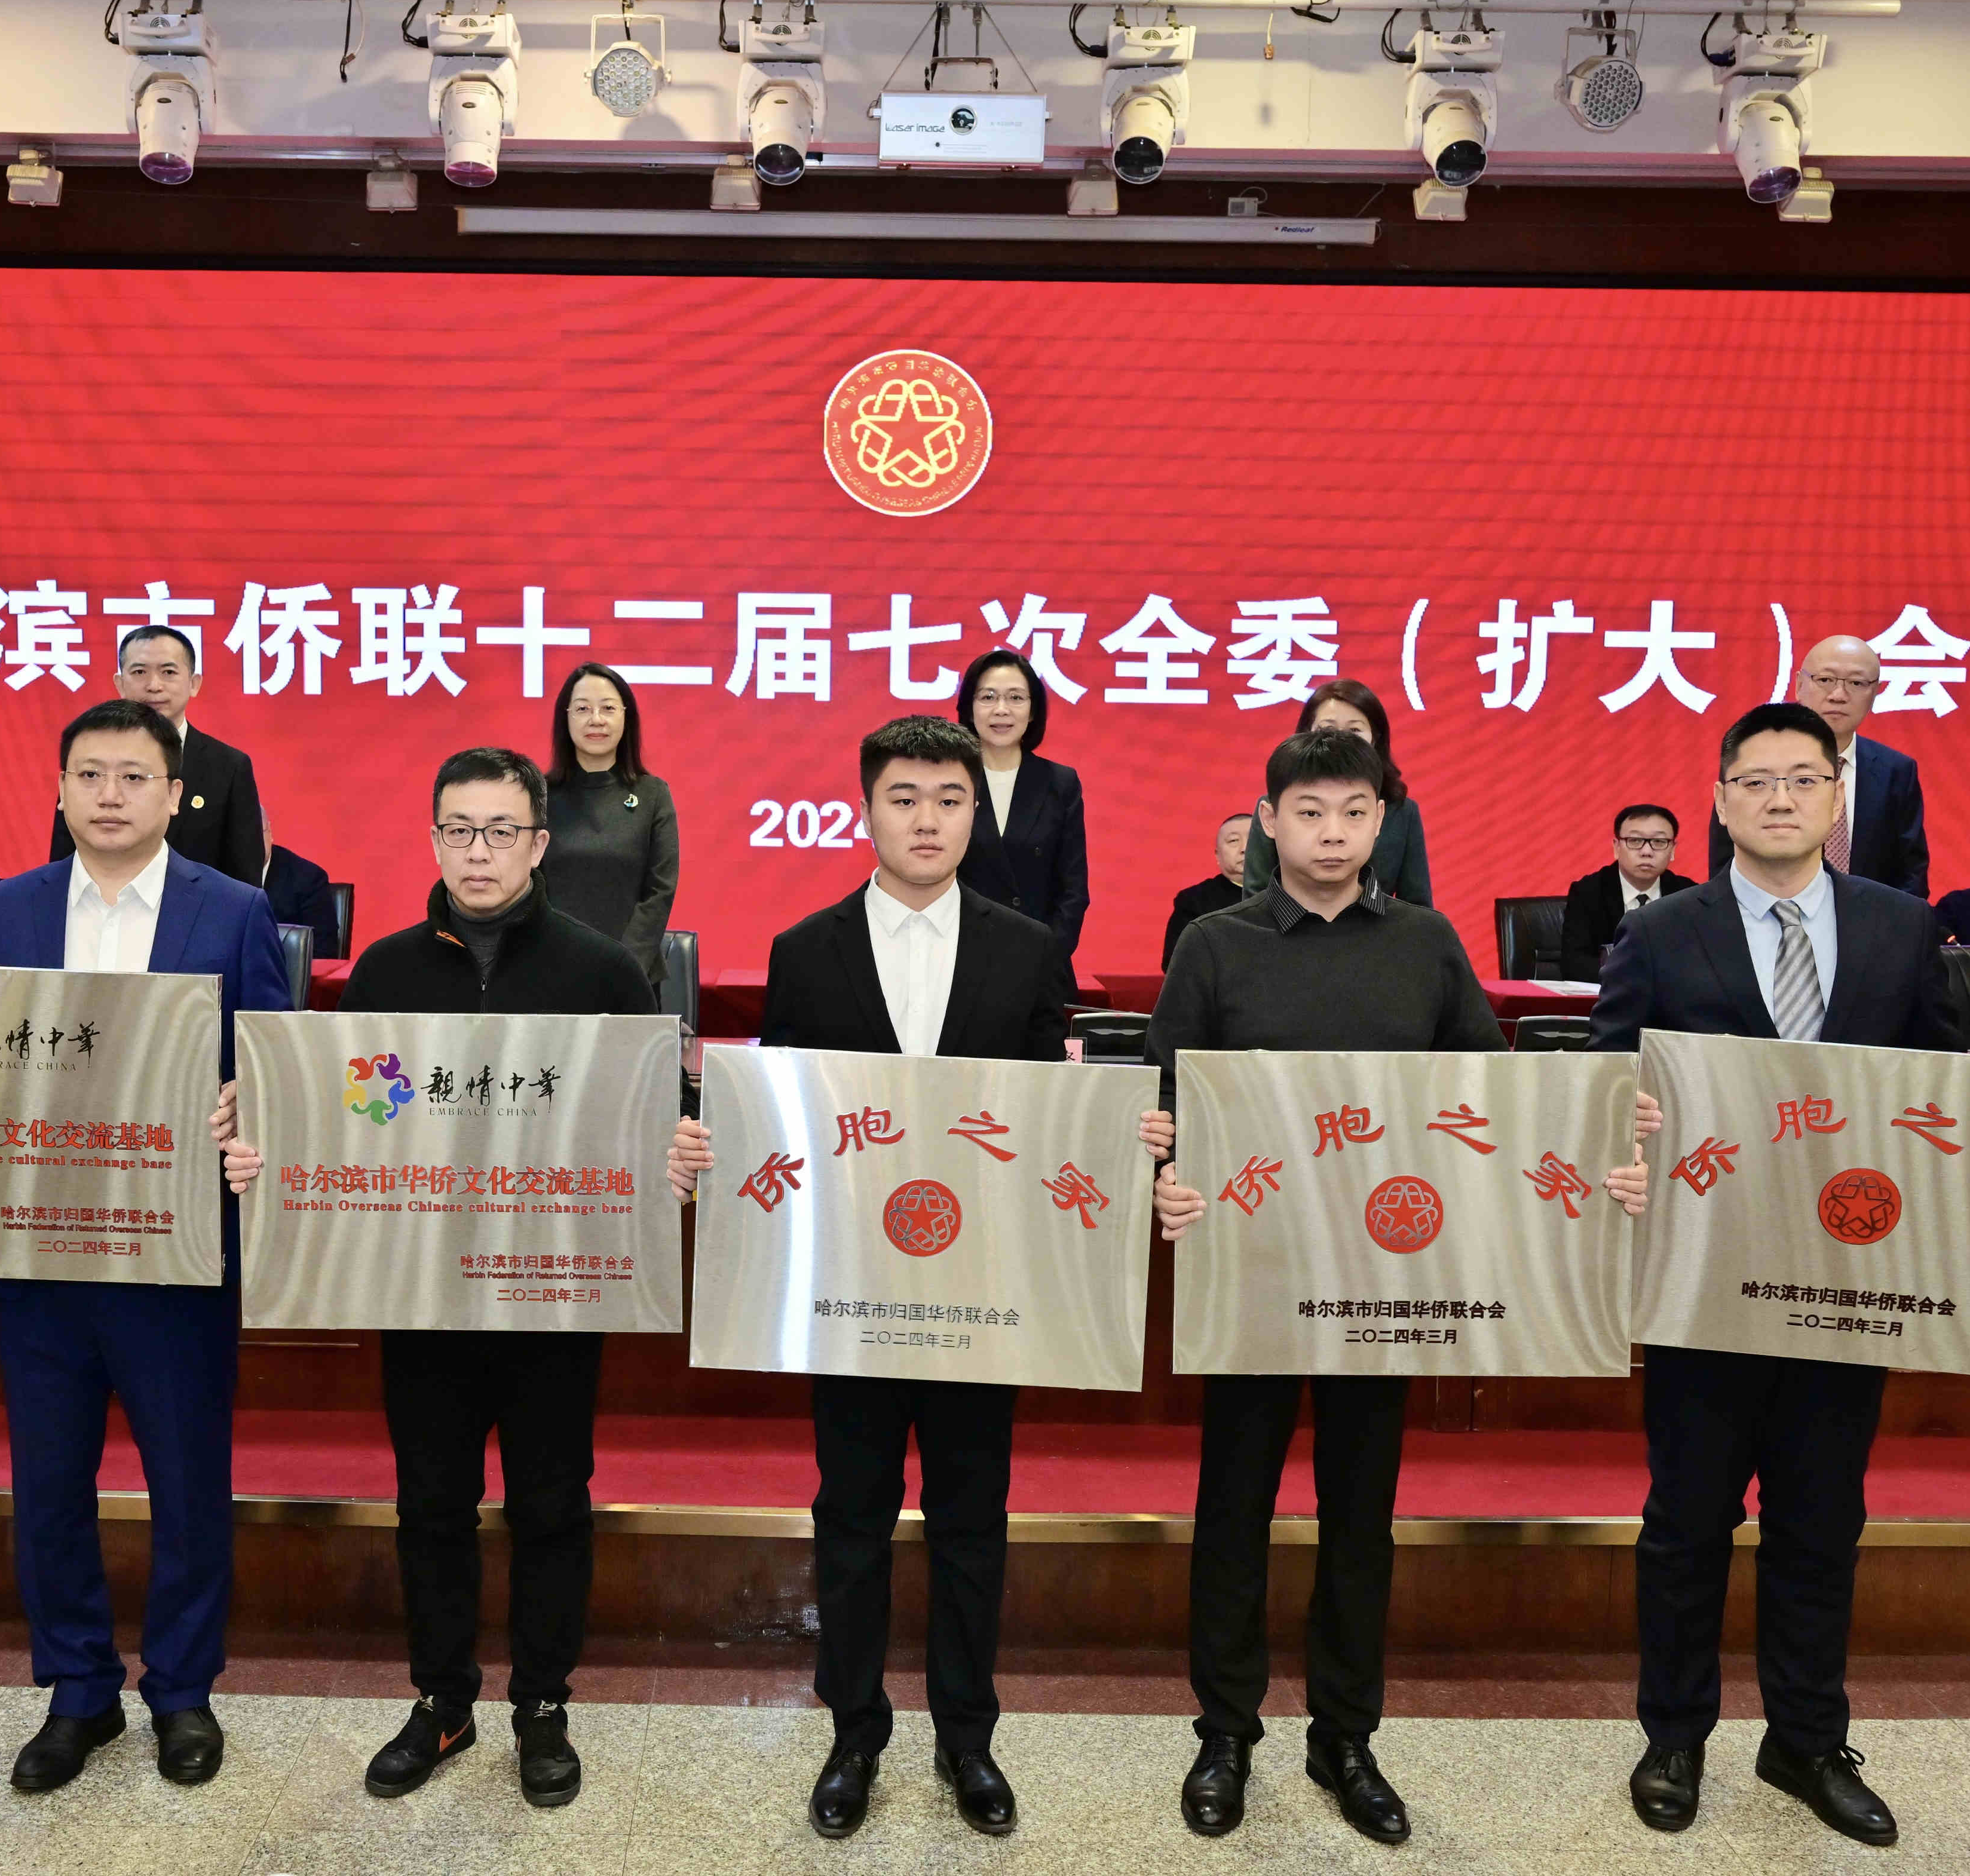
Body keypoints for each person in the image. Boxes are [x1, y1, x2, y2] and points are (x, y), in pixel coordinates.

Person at [1592, 701, 1970, 1848]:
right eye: (1756, 780)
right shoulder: (1665, 930)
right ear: (1721, 801)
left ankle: (1804, 1738)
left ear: (1837, 796)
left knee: (1820, 1517)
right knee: (1687, 1519)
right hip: (1704, 1276)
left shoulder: (1900, 926)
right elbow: (1605, 1082)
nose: (1780, 797)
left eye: (1803, 777)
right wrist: (1618, 1135)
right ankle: (1673, 1734)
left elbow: (1954, 1087)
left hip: (1850, 1277)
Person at [663, 715, 1168, 1843]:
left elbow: (1049, 1116)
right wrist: (712, 1137)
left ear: (973, 813)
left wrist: (1118, 1135)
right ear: (866, 811)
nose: (927, 820)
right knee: (850, 1514)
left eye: (948, 799)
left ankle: (966, 1735)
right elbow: (786, 1111)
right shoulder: (807, 948)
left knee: (970, 1518)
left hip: (982, 1289)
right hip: (848, 1287)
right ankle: (854, 1730)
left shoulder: (1027, 949)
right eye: (904, 798)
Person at [1144, 728, 1506, 1849]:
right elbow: (1162, 1098)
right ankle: (1224, 1730)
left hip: (1382, 1277)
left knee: (1360, 1515)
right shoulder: (1216, 942)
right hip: (1248, 1273)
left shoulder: (1425, 942)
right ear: (1270, 821)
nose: (1333, 834)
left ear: (1382, 822)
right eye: (1309, 812)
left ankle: (1346, 1734)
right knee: (1233, 1508)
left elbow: (1487, 1091)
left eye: (1354, 812)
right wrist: (1165, 1171)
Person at [0, 699, 289, 1793]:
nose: (110, 794)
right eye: (90, 774)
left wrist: (248, 1107)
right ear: (59, 789)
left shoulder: (234, 911)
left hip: (176, 1252)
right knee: (48, 1483)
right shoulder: (5, 910)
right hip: (39, 1250)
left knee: (188, 1482)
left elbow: (274, 1068)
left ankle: (184, 1689)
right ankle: (78, 1689)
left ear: (174, 794)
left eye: (134, 776)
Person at [329, 745, 657, 1811]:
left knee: (551, 1504)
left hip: (553, 1289)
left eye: (501, 831)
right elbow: (342, 1120)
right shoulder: (383, 973)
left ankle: (543, 1705)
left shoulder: (601, 971)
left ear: (539, 843)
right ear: (433, 839)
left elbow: (644, 1117)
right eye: (459, 830)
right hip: (421, 1287)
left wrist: (675, 1147)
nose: (479, 851)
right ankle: (443, 1699)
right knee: (432, 1503)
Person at [47, 623, 270, 889]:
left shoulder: (229, 766)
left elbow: (244, 876)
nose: (154, 686)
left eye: (168, 672)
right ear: (120, 683)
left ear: (194, 684)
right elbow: (62, 863)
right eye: (139, 672)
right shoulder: (87, 758)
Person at [1705, 637, 1928, 896]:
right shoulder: (1754, 761)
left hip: (1873, 917)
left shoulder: (1897, 770)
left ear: (1876, 692)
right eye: (1825, 680)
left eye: (1856, 683)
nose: (1838, 696)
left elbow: (1911, 871)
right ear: (1800, 684)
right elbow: (1725, 858)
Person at [538, 662, 680, 978]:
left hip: (632, 974)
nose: (596, 719)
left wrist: (623, 967)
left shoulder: (653, 794)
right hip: (553, 970)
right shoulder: (539, 795)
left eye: (608, 708)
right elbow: (528, 886)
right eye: (583, 709)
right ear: (566, 717)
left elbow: (660, 890)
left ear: (626, 717)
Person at [1239, 679, 1434, 906]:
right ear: (1306, 734)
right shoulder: (1277, 806)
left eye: (1354, 731)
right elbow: (1256, 894)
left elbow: (1417, 902)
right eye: (1328, 729)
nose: (1340, 740)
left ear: (1375, 738)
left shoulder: (1403, 810)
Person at [953, 648, 1092, 963]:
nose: (1001, 710)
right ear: (969, 709)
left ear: (1032, 711)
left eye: (1016, 698)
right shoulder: (948, 780)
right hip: (961, 958)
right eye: (988, 697)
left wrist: (1045, 956)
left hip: (1039, 960)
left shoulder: (1060, 782)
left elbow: (1073, 891)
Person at [1558, 804, 1699, 982]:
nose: (1647, 852)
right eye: (1635, 841)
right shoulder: (1588, 893)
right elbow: (1574, 964)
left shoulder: (1688, 894)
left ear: (1672, 850)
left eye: (1659, 842)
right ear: (1617, 847)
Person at [1162, 813, 1254, 968]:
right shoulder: (1194, 901)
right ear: (1218, 856)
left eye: (1254, 839)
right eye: (1233, 841)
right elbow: (1175, 963)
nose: (1245, 848)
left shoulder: (1292, 892)